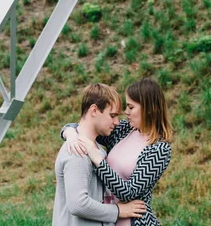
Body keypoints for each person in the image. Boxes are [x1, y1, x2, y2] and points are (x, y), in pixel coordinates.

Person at [62, 78, 172, 226]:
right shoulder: (125, 130)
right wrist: (69, 133)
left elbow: (128, 192)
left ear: (149, 109)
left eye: (131, 107)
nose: (126, 112)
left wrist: (98, 160)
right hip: (108, 220)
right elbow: (87, 125)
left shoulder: (159, 149)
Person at [53, 82, 146, 226]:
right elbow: (78, 204)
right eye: (112, 115)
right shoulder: (77, 150)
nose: (116, 122)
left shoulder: (96, 148)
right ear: (94, 110)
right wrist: (118, 211)